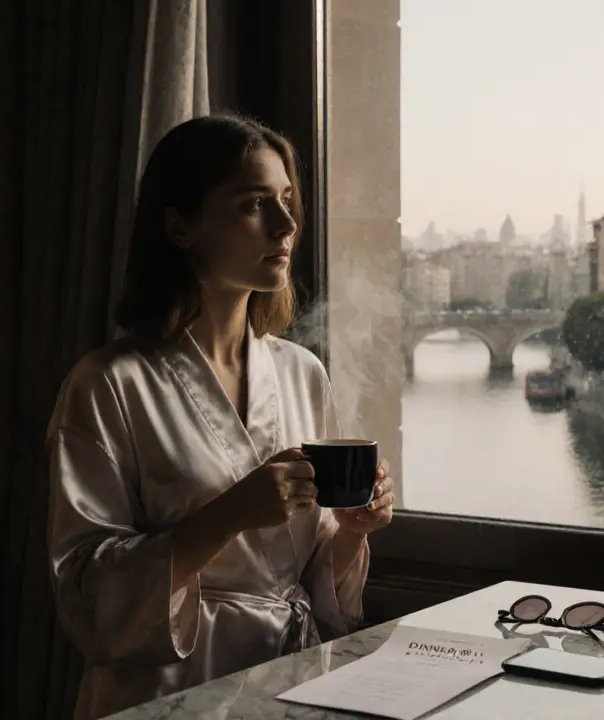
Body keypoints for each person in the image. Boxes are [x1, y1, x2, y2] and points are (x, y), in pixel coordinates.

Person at [46, 115, 395, 720]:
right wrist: (229, 515)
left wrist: (353, 530)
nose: (287, 225)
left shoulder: (301, 373)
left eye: (287, 201)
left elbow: (310, 575)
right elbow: (85, 596)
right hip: (168, 697)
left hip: (291, 687)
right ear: (181, 226)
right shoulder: (108, 385)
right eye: (254, 204)